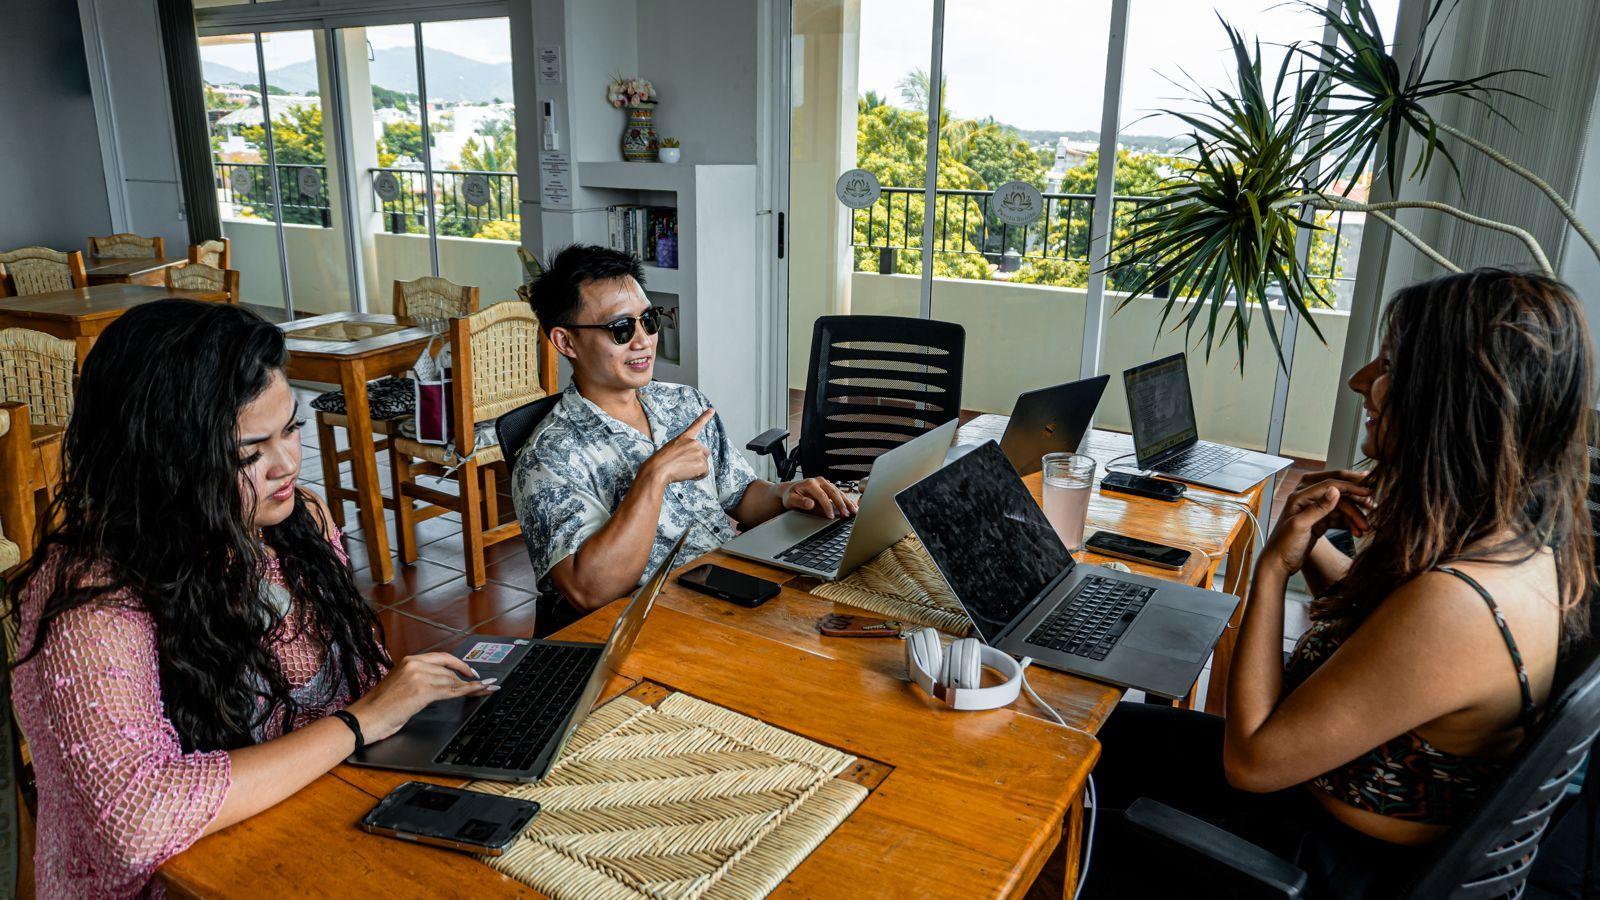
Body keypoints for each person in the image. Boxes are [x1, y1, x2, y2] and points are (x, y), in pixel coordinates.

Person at [1086, 269, 1595, 897]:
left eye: (1387, 364)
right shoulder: (1522, 548)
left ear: (1448, 395)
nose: (1362, 382)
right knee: (1088, 735)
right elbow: (1390, 651)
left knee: (1054, 811)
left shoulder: (1458, 607)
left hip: (1313, 861)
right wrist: (1309, 543)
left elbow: (1251, 762)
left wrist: (1273, 568)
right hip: (1318, 803)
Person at [7, 301, 497, 897]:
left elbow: (359, 683)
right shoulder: (94, 596)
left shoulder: (297, 523)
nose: (288, 464)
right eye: (248, 453)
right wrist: (360, 721)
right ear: (162, 462)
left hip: (312, 826)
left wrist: (410, 702)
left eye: (290, 429)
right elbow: (139, 822)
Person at [513, 244, 856, 620]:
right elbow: (589, 591)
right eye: (621, 328)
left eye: (649, 320)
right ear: (566, 341)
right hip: (651, 621)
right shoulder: (548, 456)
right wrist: (653, 476)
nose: (643, 340)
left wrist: (786, 494)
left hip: (727, 590)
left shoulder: (683, 403)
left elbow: (740, 494)